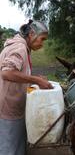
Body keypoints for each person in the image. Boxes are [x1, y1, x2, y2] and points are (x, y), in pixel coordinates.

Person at [0, 20, 53, 155]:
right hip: (8, 109)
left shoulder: (23, 47)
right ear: (31, 34)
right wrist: (35, 80)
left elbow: (18, 72)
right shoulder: (19, 48)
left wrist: (35, 78)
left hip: (13, 107)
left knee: (17, 146)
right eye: (42, 39)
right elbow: (6, 73)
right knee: (10, 149)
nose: (42, 44)